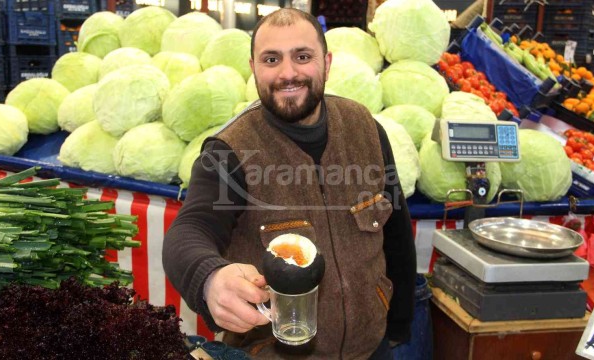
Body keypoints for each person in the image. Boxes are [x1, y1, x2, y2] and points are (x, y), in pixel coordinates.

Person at [163, 8, 416, 359]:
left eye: (302, 56)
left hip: (370, 347)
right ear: (253, 68)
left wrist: (399, 323)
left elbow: (397, 234)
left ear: (326, 62)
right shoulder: (229, 152)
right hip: (271, 351)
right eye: (271, 59)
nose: (287, 73)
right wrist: (209, 278)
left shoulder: (366, 129)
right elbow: (189, 230)